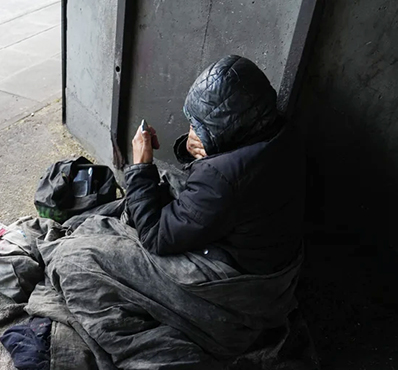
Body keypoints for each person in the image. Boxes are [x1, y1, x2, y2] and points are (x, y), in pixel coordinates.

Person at [126, 54, 305, 275]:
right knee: (157, 193)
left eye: (197, 126)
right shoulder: (274, 131)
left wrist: (141, 167)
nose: (191, 130)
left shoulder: (220, 178)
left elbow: (153, 236)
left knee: (88, 256)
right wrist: (203, 146)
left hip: (244, 276)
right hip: (270, 254)